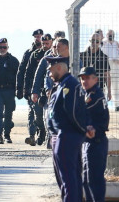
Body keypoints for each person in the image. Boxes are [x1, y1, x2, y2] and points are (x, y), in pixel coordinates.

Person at [46, 55, 93, 202]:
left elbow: (74, 113)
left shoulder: (70, 85)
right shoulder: (62, 84)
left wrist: (83, 130)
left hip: (66, 137)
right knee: (67, 180)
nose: (49, 74)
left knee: (69, 181)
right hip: (62, 136)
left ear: (59, 67)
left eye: (50, 70)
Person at [79, 66, 110, 202]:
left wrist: (93, 129)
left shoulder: (95, 95)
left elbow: (101, 120)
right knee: (86, 179)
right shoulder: (87, 93)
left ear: (95, 79)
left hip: (96, 142)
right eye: (82, 78)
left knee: (94, 180)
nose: (84, 81)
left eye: (88, 78)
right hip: (89, 141)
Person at [23, 33, 53, 145]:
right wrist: (27, 90)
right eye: (43, 43)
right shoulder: (35, 55)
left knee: (48, 114)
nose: (45, 45)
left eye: (47, 43)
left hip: (49, 90)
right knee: (37, 115)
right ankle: (41, 132)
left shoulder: (56, 55)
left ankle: (46, 136)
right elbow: (29, 73)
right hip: (38, 89)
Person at [79, 33, 112, 105]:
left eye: (97, 41)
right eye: (93, 40)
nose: (94, 43)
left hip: (98, 88)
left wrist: (109, 91)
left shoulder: (104, 57)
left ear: (100, 42)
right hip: (84, 88)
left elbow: (107, 75)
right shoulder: (82, 55)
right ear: (89, 41)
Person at [100, 30, 119, 111]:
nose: (110, 36)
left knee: (117, 87)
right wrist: (111, 59)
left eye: (112, 34)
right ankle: (103, 105)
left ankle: (118, 106)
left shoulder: (118, 44)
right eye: (109, 34)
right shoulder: (103, 43)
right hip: (106, 68)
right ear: (106, 35)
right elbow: (101, 55)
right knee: (105, 87)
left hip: (116, 68)